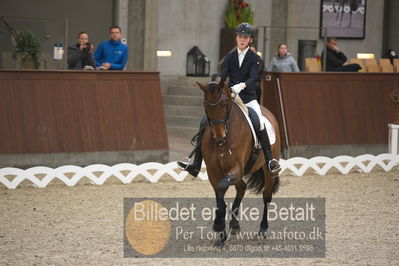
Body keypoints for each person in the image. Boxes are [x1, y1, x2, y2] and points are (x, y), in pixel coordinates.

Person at [177, 22, 281, 177]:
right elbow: (223, 75)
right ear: (236, 38)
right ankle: (196, 163)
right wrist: (216, 80)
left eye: (245, 37)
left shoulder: (255, 59)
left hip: (248, 98)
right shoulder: (230, 57)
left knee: (259, 122)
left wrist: (243, 85)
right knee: (205, 120)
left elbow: (254, 77)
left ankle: (270, 161)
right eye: (240, 37)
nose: (242, 40)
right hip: (232, 97)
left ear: (250, 40)